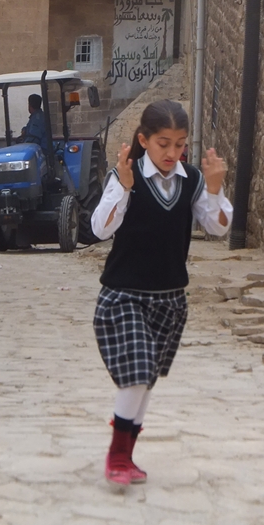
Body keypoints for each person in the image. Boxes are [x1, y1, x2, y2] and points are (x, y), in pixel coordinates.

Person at [90, 99, 233, 486]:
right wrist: (123, 186)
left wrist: (217, 190)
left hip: (170, 299)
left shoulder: (192, 181)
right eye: (163, 144)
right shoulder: (126, 175)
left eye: (180, 145)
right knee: (137, 372)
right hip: (123, 296)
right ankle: (116, 457)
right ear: (144, 140)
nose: (172, 153)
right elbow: (100, 229)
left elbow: (218, 228)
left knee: (145, 380)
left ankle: (127, 456)